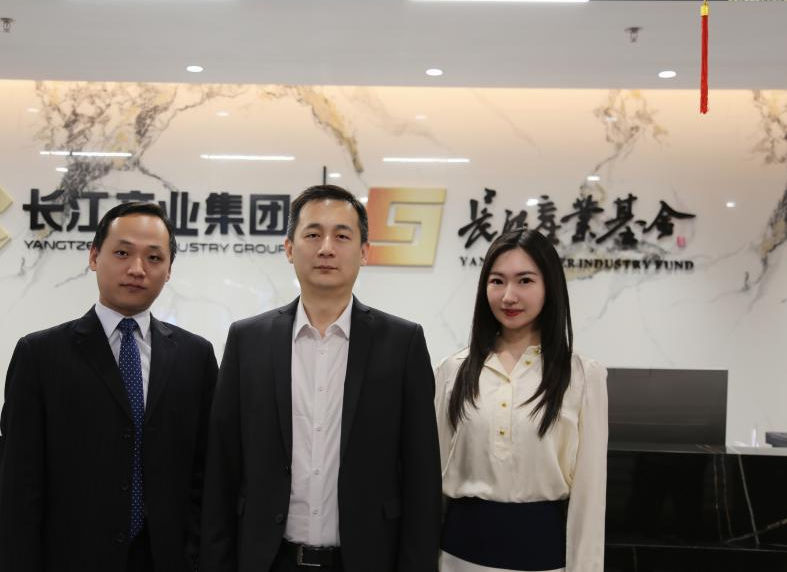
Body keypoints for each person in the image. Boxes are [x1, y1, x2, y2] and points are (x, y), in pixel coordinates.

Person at [200, 184, 441, 572]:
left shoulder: (402, 344)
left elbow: (421, 477)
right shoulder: (247, 340)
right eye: (313, 234)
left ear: (364, 251)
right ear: (289, 248)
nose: (326, 248)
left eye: (342, 236)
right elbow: (222, 469)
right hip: (268, 561)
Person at [0, 201, 218, 572]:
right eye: (122, 253)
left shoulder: (196, 356)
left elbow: (208, 472)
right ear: (94, 256)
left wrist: (194, 550)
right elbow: (20, 485)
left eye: (154, 258)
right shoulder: (40, 355)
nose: (137, 269)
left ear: (168, 271)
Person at [434, 229, 607, 572]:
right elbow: (430, 481)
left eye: (525, 281)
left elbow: (590, 495)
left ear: (549, 286)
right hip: (457, 557)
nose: (508, 296)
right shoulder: (452, 370)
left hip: (543, 557)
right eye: (497, 281)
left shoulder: (583, 376)